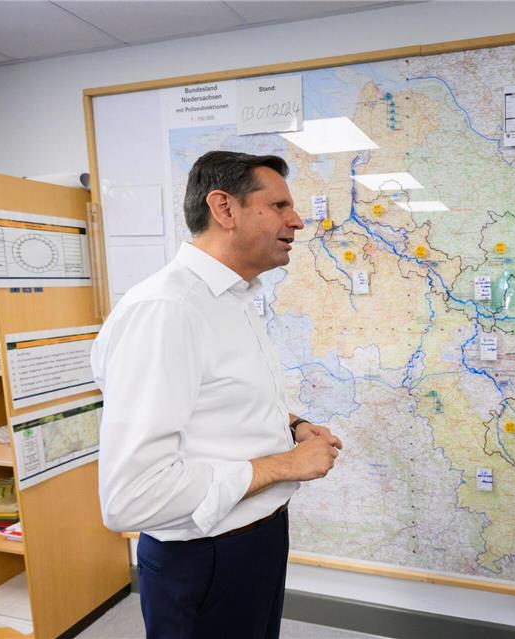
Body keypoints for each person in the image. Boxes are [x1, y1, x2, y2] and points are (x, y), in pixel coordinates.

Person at [92, 150, 343, 638]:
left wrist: (291, 427)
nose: (298, 221)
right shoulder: (166, 310)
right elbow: (130, 498)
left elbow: (214, 396)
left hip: (255, 539)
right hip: (204, 558)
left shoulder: (233, 296)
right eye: (279, 206)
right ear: (224, 209)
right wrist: (287, 465)